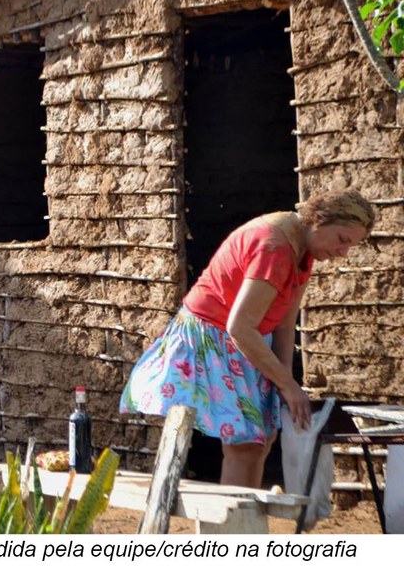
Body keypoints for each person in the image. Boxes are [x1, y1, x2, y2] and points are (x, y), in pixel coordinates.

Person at [120, 188, 375, 489]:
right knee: (246, 442)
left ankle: (244, 513)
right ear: (319, 219)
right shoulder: (274, 248)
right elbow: (240, 327)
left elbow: (284, 324)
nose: (343, 252)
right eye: (342, 239)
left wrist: (283, 383)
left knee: (261, 439)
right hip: (213, 336)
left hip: (247, 341)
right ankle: (235, 517)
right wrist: (287, 385)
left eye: (350, 246)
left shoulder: (302, 249)